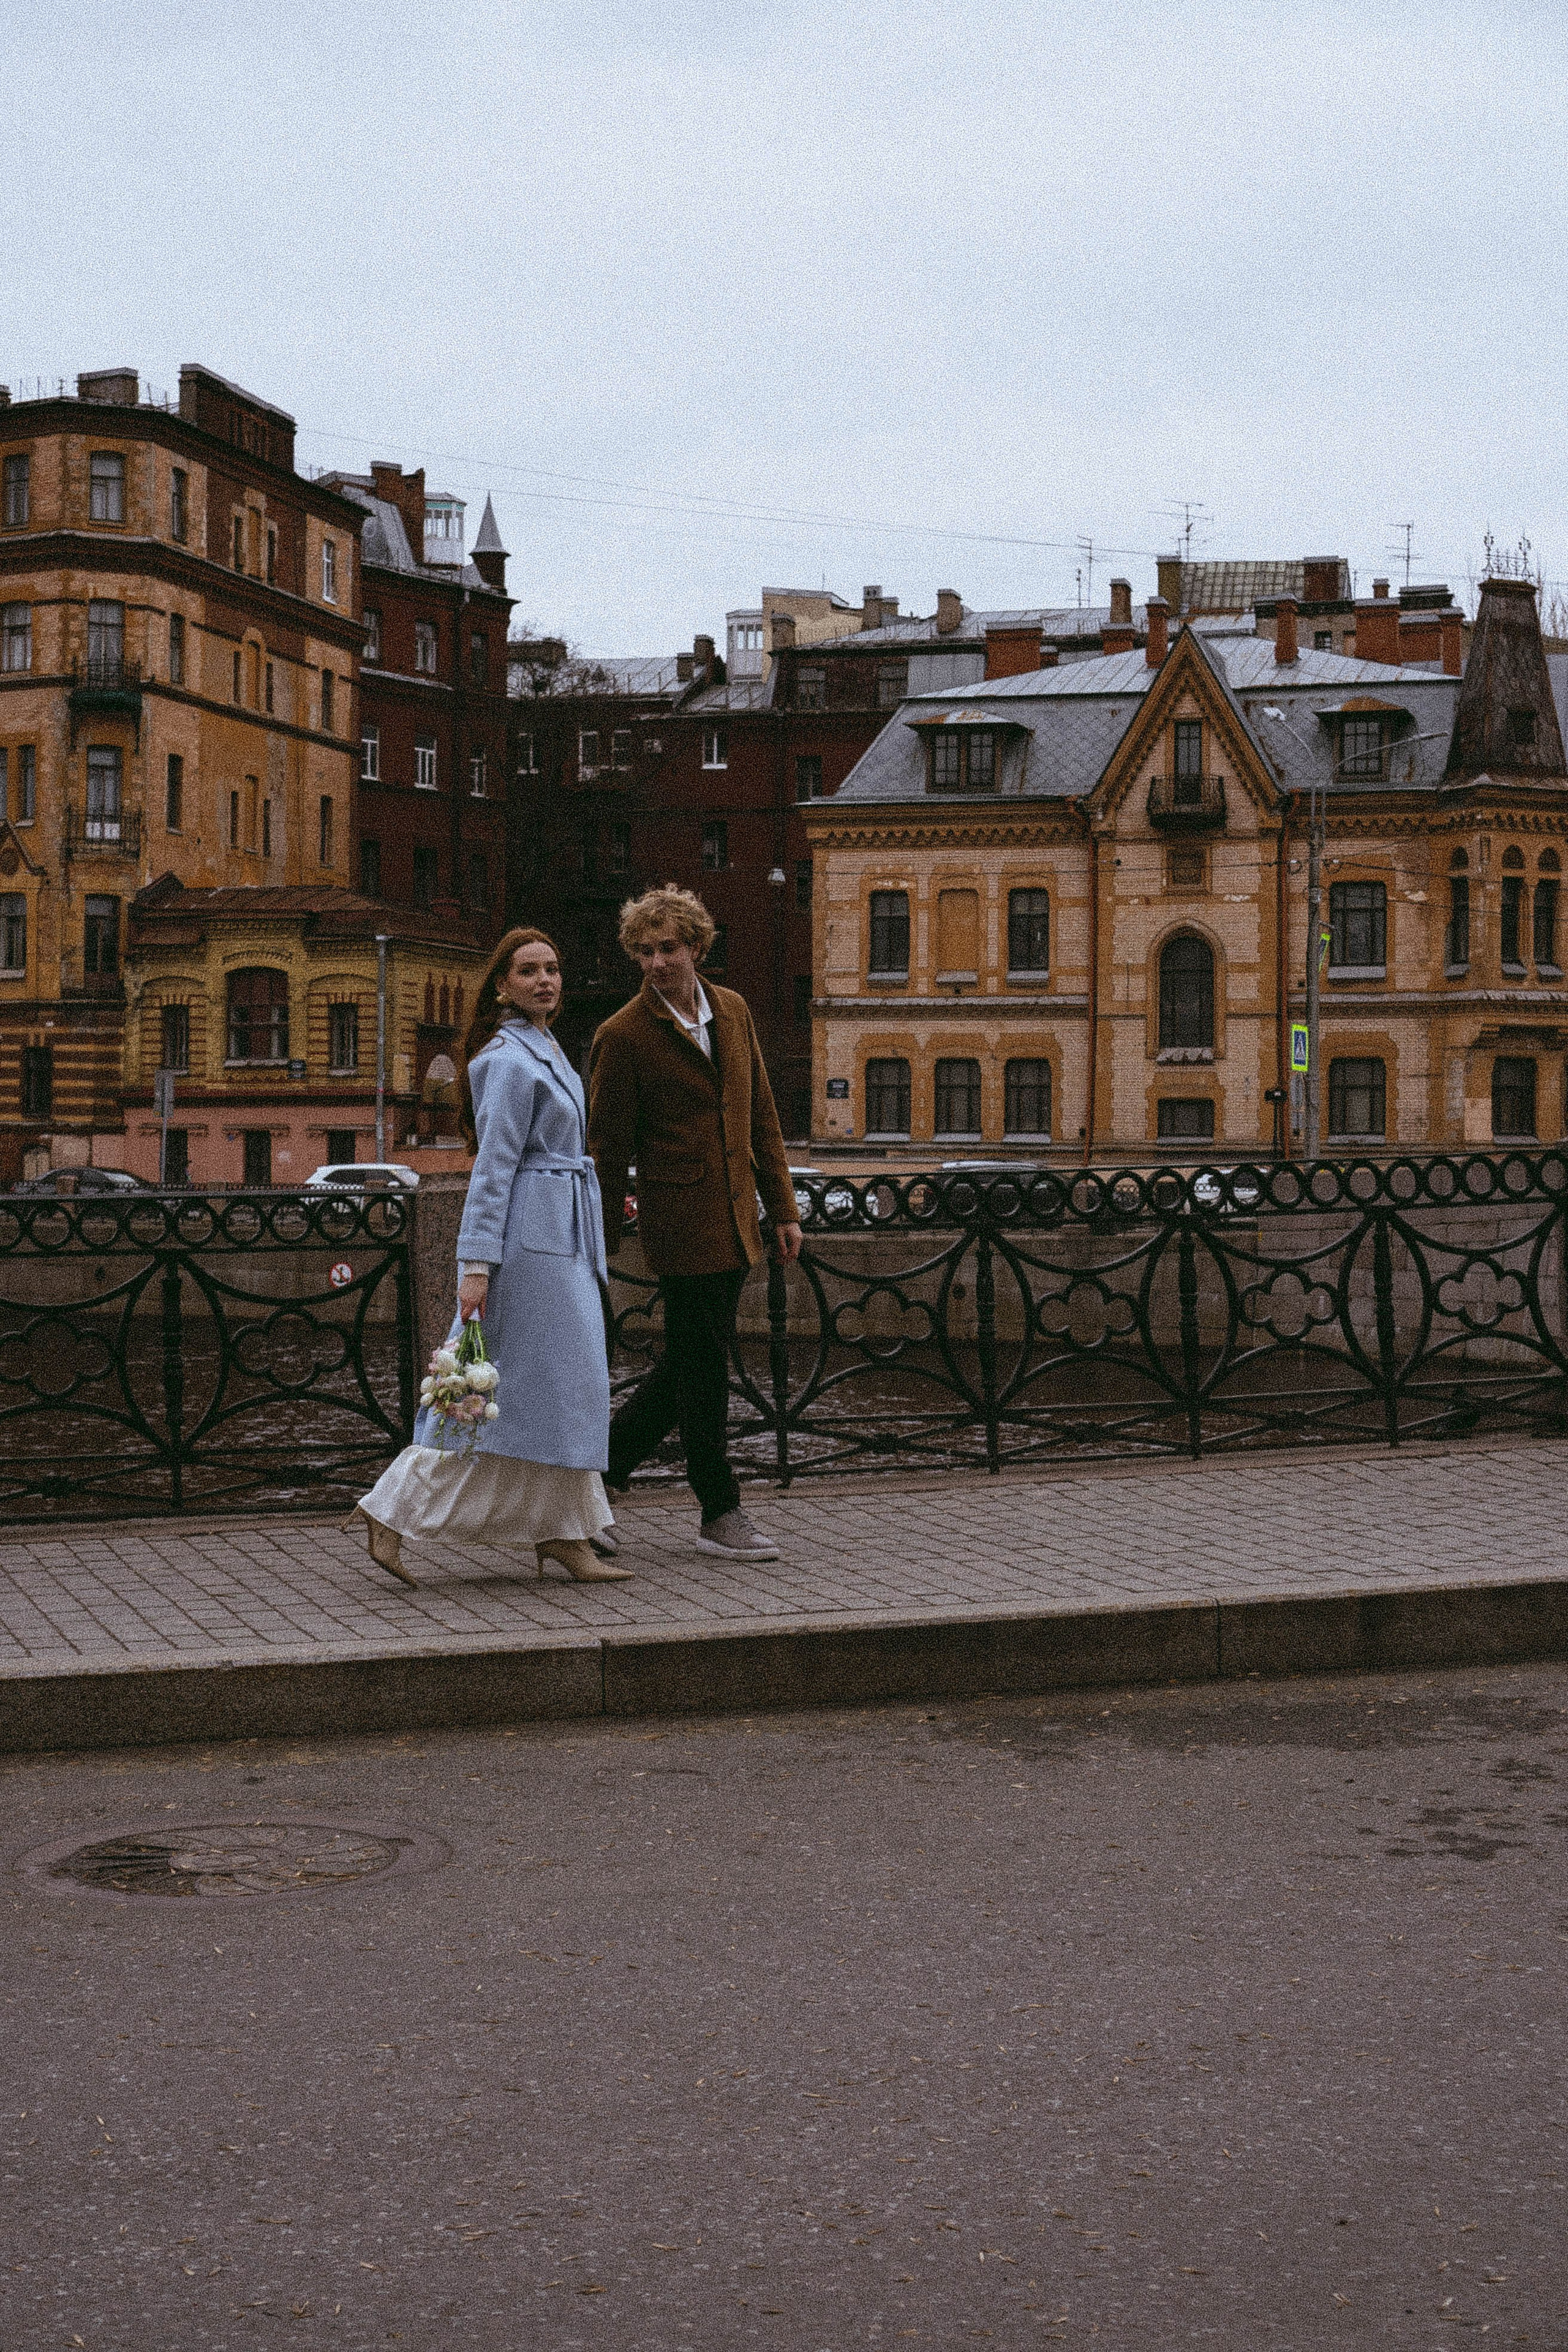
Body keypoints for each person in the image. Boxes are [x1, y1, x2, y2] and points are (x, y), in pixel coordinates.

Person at [345, 927, 630, 1586]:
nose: (545, 981)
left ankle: (564, 1532)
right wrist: (475, 1267)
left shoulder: (544, 1046)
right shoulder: (505, 1058)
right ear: (501, 984)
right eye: (529, 971)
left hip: (560, 1233)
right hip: (533, 1244)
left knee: (564, 1392)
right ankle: (390, 1512)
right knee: (497, 1389)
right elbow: (493, 1168)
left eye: (553, 969)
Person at [587, 883, 802, 1559]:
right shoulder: (621, 1035)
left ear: (697, 948)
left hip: (738, 1216)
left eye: (668, 949)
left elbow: (761, 1114)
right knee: (703, 1368)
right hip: (680, 1223)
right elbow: (605, 1147)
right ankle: (719, 1510)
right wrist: (598, 1241)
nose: (656, 963)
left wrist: (783, 1208)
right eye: (644, 952)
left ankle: (592, 1484)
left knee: (688, 1365)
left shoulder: (732, 1011)